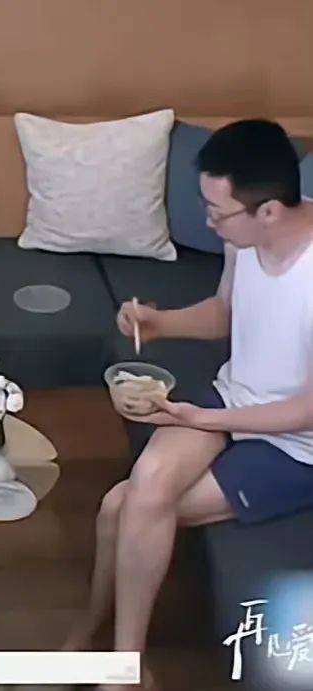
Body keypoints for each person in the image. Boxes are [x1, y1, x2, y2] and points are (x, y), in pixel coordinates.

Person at [64, 119, 313, 690]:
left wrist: (203, 418)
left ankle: (116, 661)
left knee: (121, 506)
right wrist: (159, 324)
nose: (208, 222)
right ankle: (110, 650)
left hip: (296, 446)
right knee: (143, 485)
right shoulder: (244, 238)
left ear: (269, 210)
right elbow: (227, 311)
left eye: (217, 212)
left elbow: (307, 411)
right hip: (235, 395)